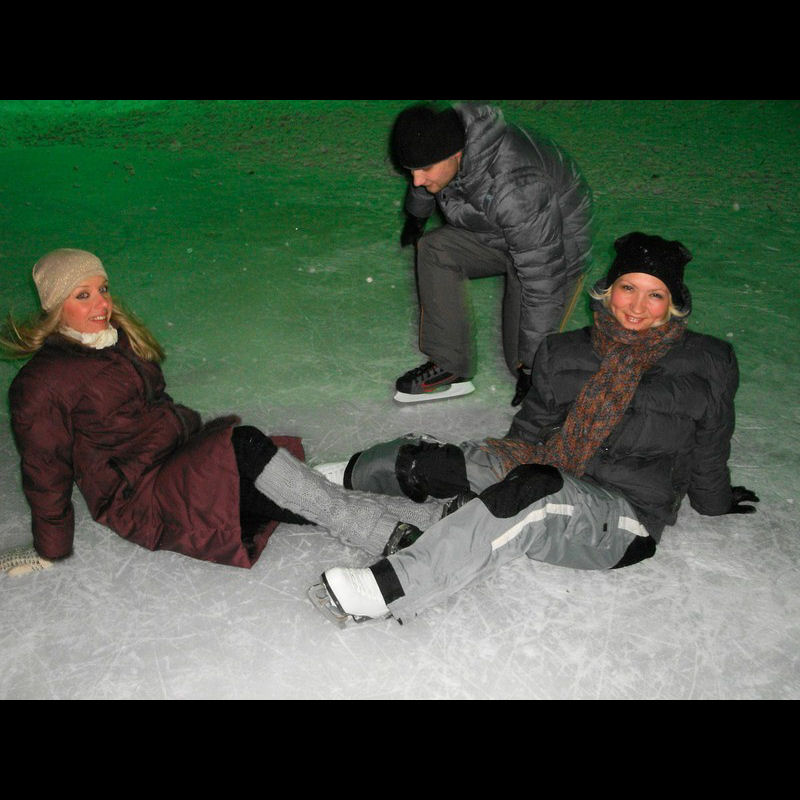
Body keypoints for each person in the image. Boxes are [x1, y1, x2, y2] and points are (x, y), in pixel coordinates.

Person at [305, 232, 759, 625]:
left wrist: (715, 500)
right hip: (557, 469)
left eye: (654, 294)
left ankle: (388, 590)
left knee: (532, 492)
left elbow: (711, 445)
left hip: (625, 518)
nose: (637, 307)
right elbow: (528, 432)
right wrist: (483, 473)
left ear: (674, 304)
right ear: (609, 289)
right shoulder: (564, 351)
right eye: (628, 288)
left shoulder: (709, 362)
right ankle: (345, 474)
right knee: (439, 462)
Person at [0, 249, 452, 577]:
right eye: (82, 295)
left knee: (279, 491)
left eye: (102, 289)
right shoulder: (42, 383)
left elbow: (155, 405)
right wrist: (49, 549)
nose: (101, 304)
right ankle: (379, 533)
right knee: (246, 445)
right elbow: (45, 472)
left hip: (173, 460)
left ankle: (421, 523)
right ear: (55, 306)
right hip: (137, 495)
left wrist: (186, 433)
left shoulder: (117, 338)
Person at [390, 102, 593, 405]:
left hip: (556, 251)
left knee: (523, 362)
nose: (417, 180)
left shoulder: (515, 186)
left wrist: (532, 365)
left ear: (456, 154)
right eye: (412, 171)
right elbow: (424, 174)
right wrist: (417, 215)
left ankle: (599, 378)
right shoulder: (447, 146)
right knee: (436, 249)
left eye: (425, 170)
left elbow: (542, 277)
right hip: (502, 232)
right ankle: (450, 364)